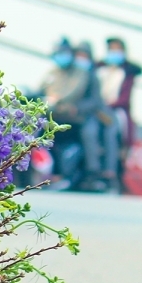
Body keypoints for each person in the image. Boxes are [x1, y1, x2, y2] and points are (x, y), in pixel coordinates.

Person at [41, 39, 105, 188]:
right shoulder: (55, 73)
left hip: (85, 115)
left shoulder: (88, 75)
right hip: (61, 114)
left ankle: (92, 171)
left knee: (89, 133)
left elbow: (94, 101)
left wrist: (77, 108)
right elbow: (44, 90)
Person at [97, 37, 142, 175]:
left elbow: (124, 99)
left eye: (117, 50)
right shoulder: (100, 70)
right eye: (111, 49)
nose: (114, 53)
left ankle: (110, 169)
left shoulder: (127, 72)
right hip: (96, 110)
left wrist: (107, 105)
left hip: (116, 110)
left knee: (111, 131)